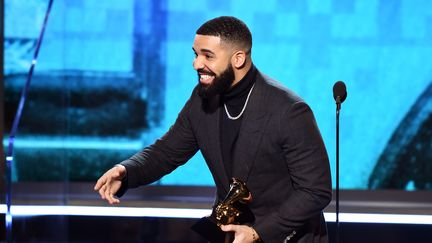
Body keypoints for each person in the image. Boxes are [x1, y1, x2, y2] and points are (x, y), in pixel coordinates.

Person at [94, 16, 332, 243]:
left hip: (284, 236)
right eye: (196, 54)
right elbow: (167, 152)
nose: (197, 64)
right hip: (229, 233)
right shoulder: (202, 99)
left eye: (207, 56)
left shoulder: (288, 110)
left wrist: (259, 232)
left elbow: (315, 191)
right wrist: (126, 171)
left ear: (238, 59)